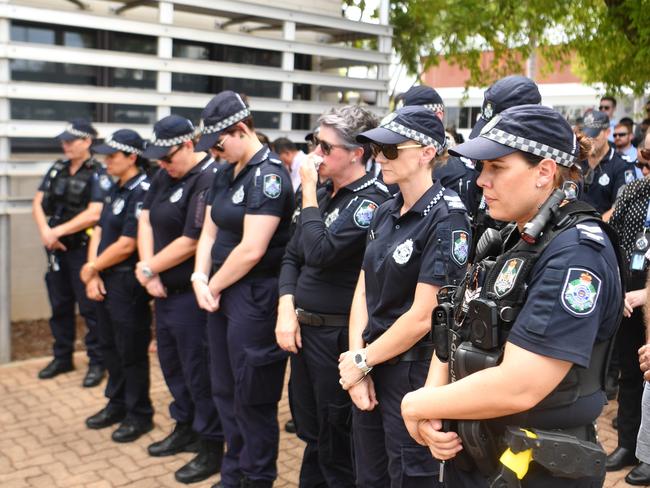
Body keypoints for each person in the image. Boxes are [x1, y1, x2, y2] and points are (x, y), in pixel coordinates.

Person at [401, 104, 624, 487]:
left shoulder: (576, 254)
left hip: (537, 469)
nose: (480, 181)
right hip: (478, 453)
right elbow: (456, 321)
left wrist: (417, 404)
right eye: (482, 168)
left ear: (544, 172)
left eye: (496, 168)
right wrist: (434, 400)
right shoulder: (509, 235)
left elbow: (522, 384)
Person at [337, 105, 471, 487]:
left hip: (411, 371)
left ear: (427, 152)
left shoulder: (447, 217)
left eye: (392, 149)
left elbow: (424, 313)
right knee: (369, 476)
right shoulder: (384, 211)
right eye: (378, 149)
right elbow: (363, 288)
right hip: (371, 363)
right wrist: (357, 365)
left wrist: (362, 360)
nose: (380, 158)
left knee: (410, 477)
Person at [275, 105, 390, 487]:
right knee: (310, 428)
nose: (315, 155)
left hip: (335, 336)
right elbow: (293, 254)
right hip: (304, 331)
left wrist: (307, 188)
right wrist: (286, 306)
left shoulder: (370, 201)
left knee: (336, 435)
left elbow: (320, 251)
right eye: (314, 143)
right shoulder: (320, 194)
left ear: (357, 152)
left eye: (326, 147)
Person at [192, 90, 294, 488]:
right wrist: (201, 278)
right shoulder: (224, 171)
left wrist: (212, 285)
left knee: (252, 396)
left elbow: (252, 249)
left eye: (219, 143)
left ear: (239, 129)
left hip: (253, 297)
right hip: (219, 292)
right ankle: (233, 473)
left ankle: (256, 476)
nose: (215, 152)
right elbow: (209, 230)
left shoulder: (268, 175)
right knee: (223, 388)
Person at [137, 115, 224, 484]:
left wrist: (147, 270)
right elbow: (144, 219)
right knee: (172, 366)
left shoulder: (207, 177)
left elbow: (192, 239)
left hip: (191, 298)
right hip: (162, 291)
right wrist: (149, 269)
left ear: (189, 145)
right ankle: (185, 425)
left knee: (199, 371)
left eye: (168, 157)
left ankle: (210, 444)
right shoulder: (164, 174)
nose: (162, 165)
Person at [79, 129, 154, 442]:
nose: (106, 160)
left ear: (132, 157)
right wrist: (93, 271)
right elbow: (98, 231)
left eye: (113, 155)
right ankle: (117, 402)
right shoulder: (114, 186)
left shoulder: (143, 189)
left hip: (126, 280)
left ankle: (140, 414)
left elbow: (127, 244)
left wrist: (93, 266)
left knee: (131, 350)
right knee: (108, 344)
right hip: (104, 276)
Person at [32, 119, 110, 387]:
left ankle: (98, 362)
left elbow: (95, 212)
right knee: (59, 306)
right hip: (56, 251)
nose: (64, 145)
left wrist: (58, 232)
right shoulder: (58, 168)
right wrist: (47, 233)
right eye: (63, 141)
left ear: (87, 142)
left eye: (70, 141)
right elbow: (38, 202)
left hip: (82, 251)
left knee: (90, 309)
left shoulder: (98, 172)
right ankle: (62, 357)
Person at [605, 130, 650, 478]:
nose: (642, 162)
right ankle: (629, 445)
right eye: (643, 154)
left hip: (647, 297)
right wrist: (619, 289)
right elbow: (612, 244)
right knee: (630, 373)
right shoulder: (631, 193)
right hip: (627, 298)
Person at [579, 110, 630, 219]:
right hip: (573, 226)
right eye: (587, 135)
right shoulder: (577, 160)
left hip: (603, 229)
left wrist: (596, 227)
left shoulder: (621, 164)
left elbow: (620, 205)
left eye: (594, 135)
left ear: (607, 132)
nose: (590, 139)